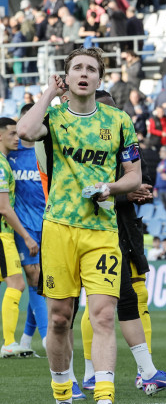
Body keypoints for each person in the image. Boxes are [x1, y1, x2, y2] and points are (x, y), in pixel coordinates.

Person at [18, 48, 143, 404]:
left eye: (91, 68)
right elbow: (25, 131)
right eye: (77, 68)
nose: (84, 73)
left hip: (102, 231)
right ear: (67, 78)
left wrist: (111, 188)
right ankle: (62, 391)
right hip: (58, 228)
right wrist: (48, 93)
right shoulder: (54, 118)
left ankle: (104, 395)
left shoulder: (119, 121)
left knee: (103, 314)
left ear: (100, 79)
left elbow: (133, 175)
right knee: (60, 318)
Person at [78, 91, 166, 397]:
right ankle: (89, 374)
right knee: (94, 304)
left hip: (125, 232)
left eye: (117, 111)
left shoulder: (127, 143)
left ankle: (145, 373)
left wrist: (120, 190)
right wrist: (124, 192)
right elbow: (83, 191)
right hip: (90, 232)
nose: (114, 117)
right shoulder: (84, 145)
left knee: (132, 298)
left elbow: (144, 182)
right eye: (107, 110)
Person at [9, 104, 49, 362]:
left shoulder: (43, 150)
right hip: (25, 227)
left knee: (43, 282)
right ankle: (47, 338)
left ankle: (25, 339)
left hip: (49, 224)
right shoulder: (10, 156)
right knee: (34, 278)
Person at [0, 116, 37, 359]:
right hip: (2, 234)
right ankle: (9, 342)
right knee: (17, 284)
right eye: (12, 133)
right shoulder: (1, 166)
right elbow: (4, 207)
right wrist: (26, 236)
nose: (18, 137)